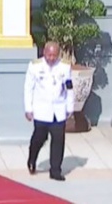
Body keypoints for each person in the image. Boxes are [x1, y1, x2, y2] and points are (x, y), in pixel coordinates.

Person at [24, 41, 73, 181]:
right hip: (41, 110)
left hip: (58, 109)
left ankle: (55, 170)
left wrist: (69, 107)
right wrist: (28, 108)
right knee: (39, 138)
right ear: (44, 53)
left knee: (58, 140)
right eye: (49, 55)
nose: (51, 58)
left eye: (54, 55)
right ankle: (32, 159)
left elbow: (69, 88)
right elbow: (28, 88)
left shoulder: (64, 67)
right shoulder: (35, 66)